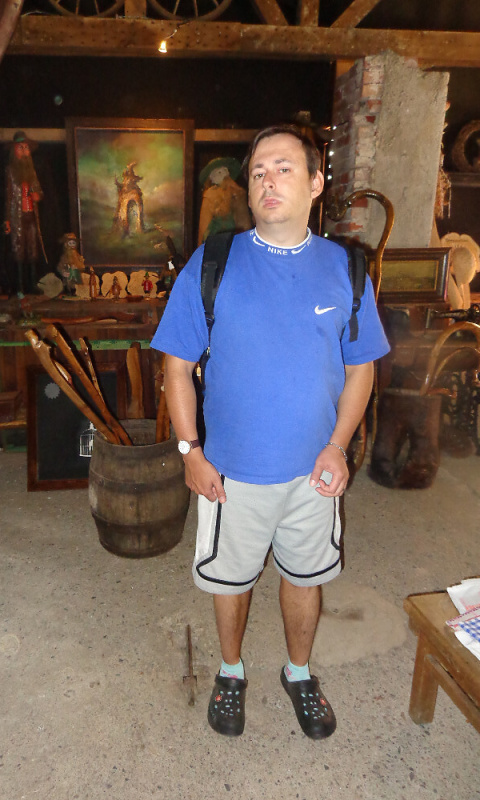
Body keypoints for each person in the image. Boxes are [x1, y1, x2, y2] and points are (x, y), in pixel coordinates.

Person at [151, 124, 390, 740]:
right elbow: (177, 366)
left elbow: (361, 368)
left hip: (315, 474)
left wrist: (338, 446)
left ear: (315, 182)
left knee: (305, 578)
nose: (267, 180)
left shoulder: (347, 268)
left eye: (284, 168)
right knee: (229, 580)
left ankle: (298, 672)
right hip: (231, 474)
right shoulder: (213, 262)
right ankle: (231, 671)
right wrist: (190, 450)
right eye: (258, 171)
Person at [4, 131, 45, 294]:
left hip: (31, 216)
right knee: (18, 250)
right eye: (20, 147)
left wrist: (37, 196)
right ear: (14, 150)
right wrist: (7, 219)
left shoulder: (32, 173)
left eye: (26, 148)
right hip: (18, 216)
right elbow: (8, 196)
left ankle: (32, 284)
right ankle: (20, 286)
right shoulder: (10, 171)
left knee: (32, 249)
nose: (24, 151)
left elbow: (39, 191)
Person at [197, 156, 252, 245]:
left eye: (224, 171)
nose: (222, 175)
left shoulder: (238, 194)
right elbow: (203, 231)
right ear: (211, 178)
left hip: (237, 244)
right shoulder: (210, 196)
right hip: (217, 246)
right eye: (218, 172)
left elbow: (246, 227)